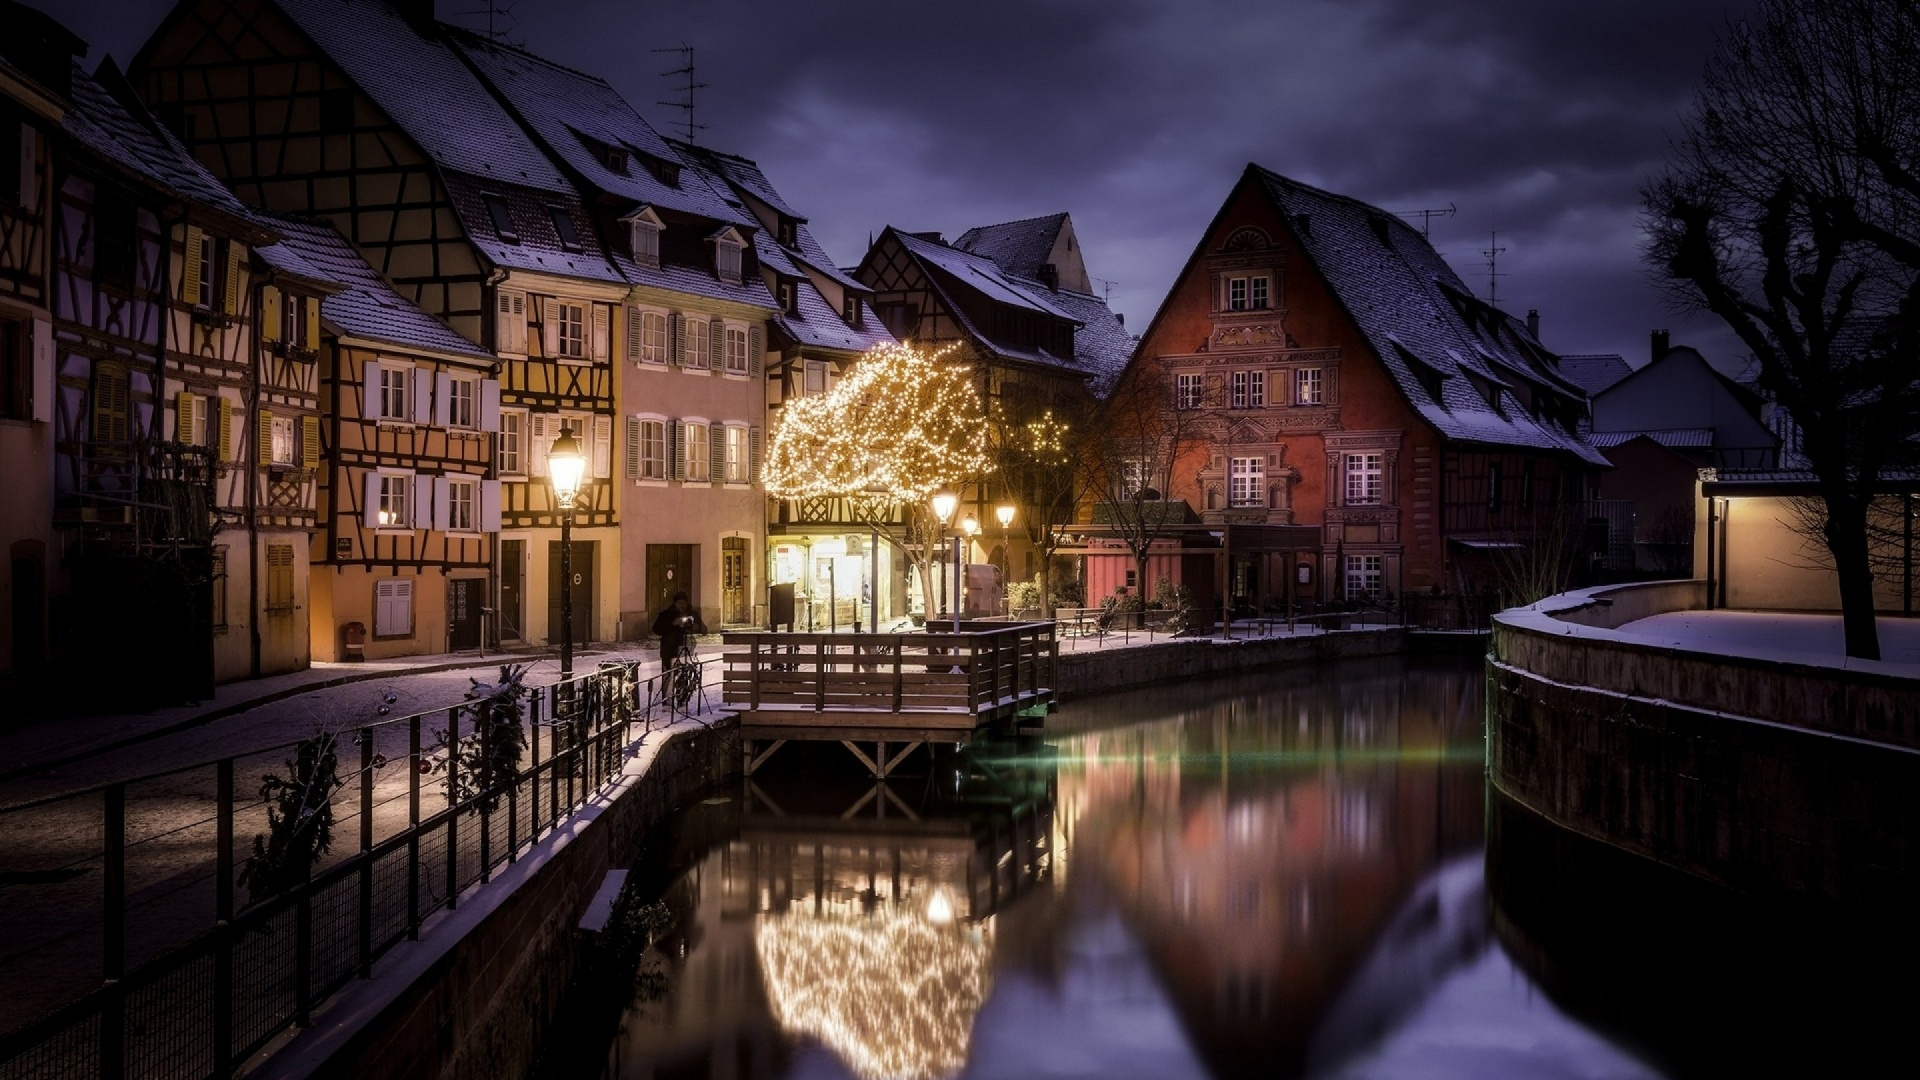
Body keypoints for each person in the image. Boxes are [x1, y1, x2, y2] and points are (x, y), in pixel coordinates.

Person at [651, 590, 706, 671]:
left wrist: (696, 626)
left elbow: (704, 629)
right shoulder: (666, 614)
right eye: (679, 603)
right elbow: (656, 629)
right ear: (674, 604)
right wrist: (673, 624)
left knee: (685, 674)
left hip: (687, 652)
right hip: (669, 650)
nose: (681, 605)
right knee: (669, 676)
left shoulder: (692, 614)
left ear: (687, 603)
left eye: (683, 603)